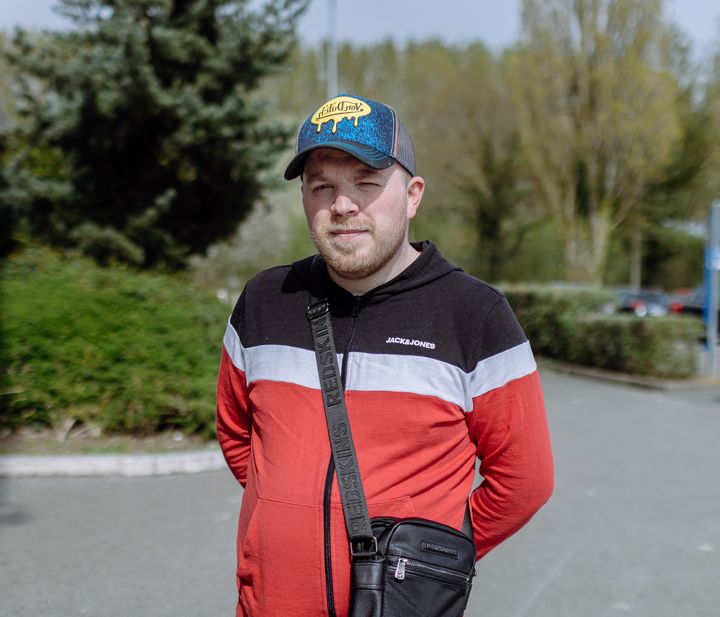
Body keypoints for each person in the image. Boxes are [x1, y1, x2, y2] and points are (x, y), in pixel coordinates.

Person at [216, 93, 554, 617]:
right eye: (321, 186)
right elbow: (240, 437)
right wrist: (283, 518)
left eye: (366, 183)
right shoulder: (264, 300)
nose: (342, 205)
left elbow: (524, 481)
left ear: (413, 194)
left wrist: (428, 556)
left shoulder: (476, 314)